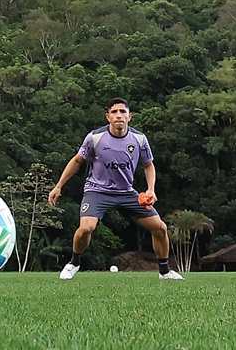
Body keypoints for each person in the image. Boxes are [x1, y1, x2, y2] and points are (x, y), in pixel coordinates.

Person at [48, 98, 183, 280]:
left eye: (122, 111)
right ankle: (74, 263)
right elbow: (77, 161)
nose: (118, 115)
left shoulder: (139, 139)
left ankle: (165, 272)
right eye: (114, 112)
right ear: (107, 117)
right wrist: (58, 186)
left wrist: (151, 189)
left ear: (130, 116)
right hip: (97, 191)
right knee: (86, 228)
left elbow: (148, 165)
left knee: (160, 227)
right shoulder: (95, 138)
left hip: (126, 193)